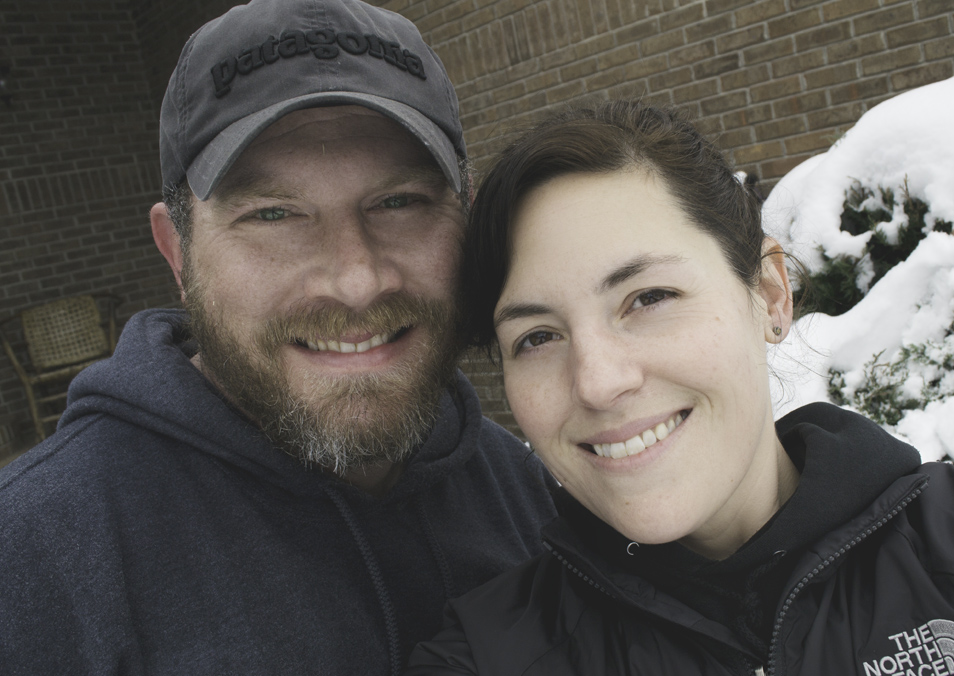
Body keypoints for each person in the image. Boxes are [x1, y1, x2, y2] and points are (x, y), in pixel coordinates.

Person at [0, 0, 556, 673]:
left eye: (399, 201)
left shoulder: (528, 485)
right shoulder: (37, 559)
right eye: (273, 213)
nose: (356, 279)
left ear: (464, 215)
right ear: (177, 254)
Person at [406, 100, 954, 675]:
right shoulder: (484, 657)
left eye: (650, 298)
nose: (598, 382)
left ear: (770, 294)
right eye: (537, 337)